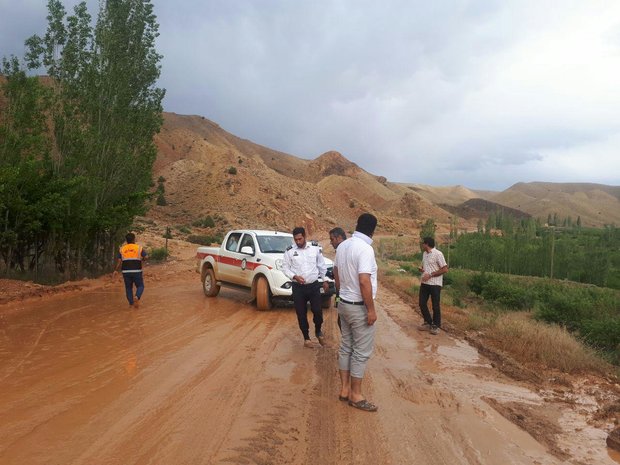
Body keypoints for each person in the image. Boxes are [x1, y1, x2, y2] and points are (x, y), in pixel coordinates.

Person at [334, 213, 379, 412]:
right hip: (359, 306)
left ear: (357, 225)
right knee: (360, 352)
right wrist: (371, 309)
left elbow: (336, 273)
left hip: (343, 303)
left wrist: (340, 294)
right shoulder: (366, 249)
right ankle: (356, 395)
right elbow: (364, 280)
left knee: (346, 347)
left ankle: (344, 390)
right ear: (373, 230)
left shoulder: (342, 246)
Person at [282, 227, 329, 348]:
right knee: (301, 313)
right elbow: (285, 268)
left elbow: (321, 265)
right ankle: (306, 338)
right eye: (296, 239)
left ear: (305, 236)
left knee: (317, 311)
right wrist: (294, 276)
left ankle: (318, 331)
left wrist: (324, 279)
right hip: (298, 288)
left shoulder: (315, 248)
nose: (298, 242)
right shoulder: (289, 251)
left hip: (313, 286)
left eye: (300, 239)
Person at [417, 236, 448, 335]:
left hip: (435, 284)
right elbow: (426, 267)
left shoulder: (438, 254)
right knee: (422, 303)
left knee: (435, 305)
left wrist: (430, 275)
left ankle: (436, 325)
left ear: (427, 244)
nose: (422, 245)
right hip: (424, 283)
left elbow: (444, 269)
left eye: (423, 243)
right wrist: (422, 270)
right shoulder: (424, 254)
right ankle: (428, 322)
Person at [113, 232, 148, 308]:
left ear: (126, 240)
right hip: (137, 271)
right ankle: (137, 297)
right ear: (133, 239)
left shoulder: (122, 249)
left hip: (126, 272)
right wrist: (143, 259)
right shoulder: (139, 248)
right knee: (140, 286)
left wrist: (116, 270)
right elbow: (146, 257)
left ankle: (131, 304)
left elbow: (119, 261)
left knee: (128, 288)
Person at [328, 227, 347, 328]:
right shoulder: (340, 250)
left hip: (345, 294)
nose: (331, 243)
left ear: (339, 238)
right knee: (340, 319)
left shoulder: (344, 250)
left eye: (332, 239)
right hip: (341, 294)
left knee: (342, 321)